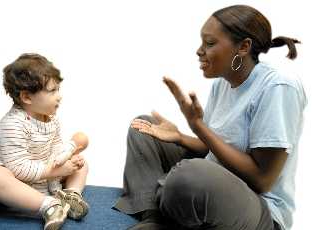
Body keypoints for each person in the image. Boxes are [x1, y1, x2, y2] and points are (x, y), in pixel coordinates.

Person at [114, 5, 307, 230]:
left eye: (210, 43)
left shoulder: (278, 87)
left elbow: (262, 180)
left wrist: (198, 127)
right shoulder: (222, 83)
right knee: (144, 128)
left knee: (190, 175)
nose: (199, 50)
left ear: (243, 47)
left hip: (260, 212)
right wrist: (179, 137)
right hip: (215, 185)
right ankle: (154, 217)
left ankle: (167, 208)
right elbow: (213, 150)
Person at [0, 53, 89, 230]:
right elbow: (18, 168)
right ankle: (49, 206)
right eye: (52, 91)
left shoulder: (51, 119)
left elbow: (56, 148)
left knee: (81, 162)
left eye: (58, 89)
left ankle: (71, 195)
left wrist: (67, 159)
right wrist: (55, 171)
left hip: (44, 173)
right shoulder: (12, 124)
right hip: (15, 180)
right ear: (27, 97)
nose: (59, 96)